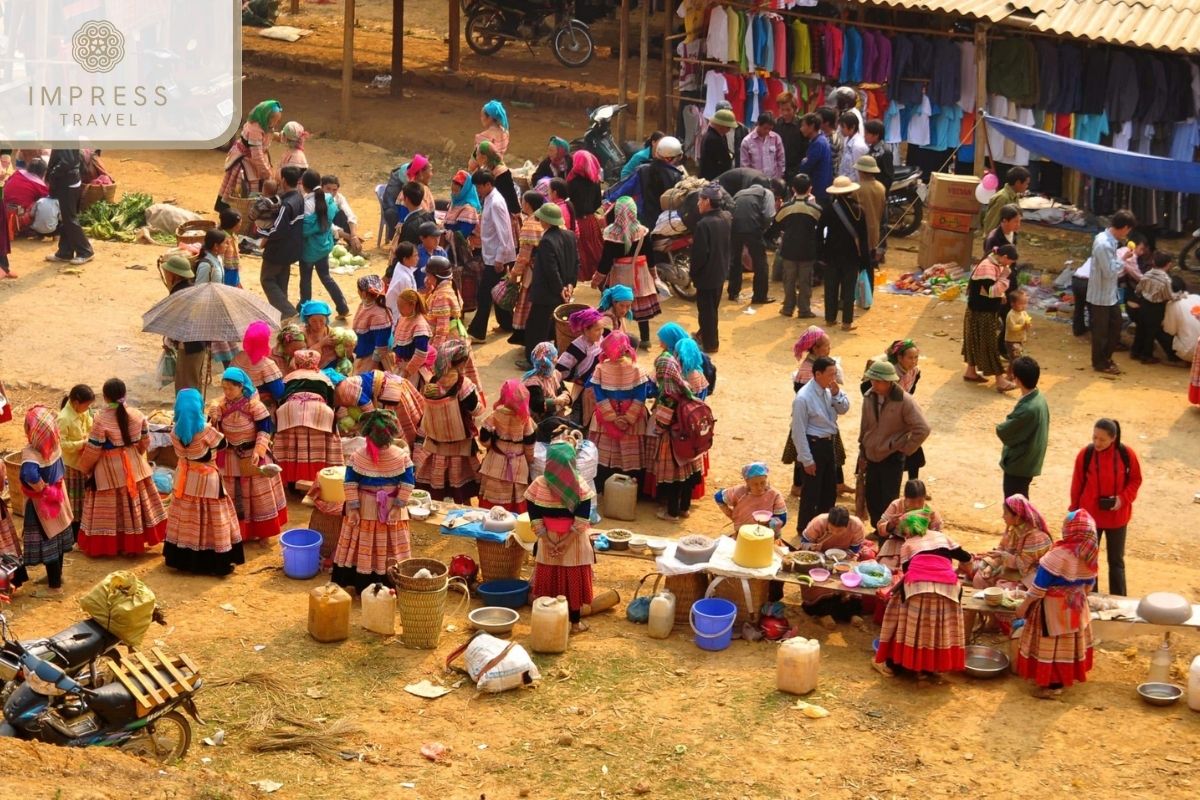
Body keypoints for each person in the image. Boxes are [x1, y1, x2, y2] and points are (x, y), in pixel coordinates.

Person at [873, 511, 971, 680]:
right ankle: (928, 669)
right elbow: (966, 557)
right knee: (934, 626)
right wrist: (961, 570)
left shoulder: (908, 545)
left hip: (918, 589)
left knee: (903, 619)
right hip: (949, 589)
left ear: (908, 532)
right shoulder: (942, 537)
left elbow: (907, 573)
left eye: (904, 533)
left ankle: (893, 665)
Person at [75, 379, 168, 556]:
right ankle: (133, 543)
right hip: (134, 465)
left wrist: (85, 468)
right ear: (124, 394)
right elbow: (145, 441)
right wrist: (137, 456)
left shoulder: (101, 420)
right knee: (135, 507)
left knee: (111, 509)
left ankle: (111, 545)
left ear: (105, 397)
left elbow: (94, 449)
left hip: (108, 470)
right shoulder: (137, 414)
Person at [1015, 510, 1099, 698]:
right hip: (1076, 607)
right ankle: (1062, 680)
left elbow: (1039, 586)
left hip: (1052, 609)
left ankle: (1051, 686)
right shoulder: (1089, 554)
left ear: (1071, 530)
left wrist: (1024, 606)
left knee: (1051, 647)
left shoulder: (1058, 555)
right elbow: (1089, 585)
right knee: (1067, 647)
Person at [330, 410, 414, 594]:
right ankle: (390, 581)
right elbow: (407, 483)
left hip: (365, 507)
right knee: (389, 546)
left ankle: (361, 582)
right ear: (391, 434)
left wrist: (353, 509)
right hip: (390, 507)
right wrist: (397, 506)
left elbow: (350, 483)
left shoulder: (357, 456)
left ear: (367, 434)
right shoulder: (402, 456)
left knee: (362, 543)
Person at [163, 389, 245, 576]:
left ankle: (182, 560)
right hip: (207, 480)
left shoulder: (175, 431)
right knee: (212, 518)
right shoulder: (205, 430)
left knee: (186, 519)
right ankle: (215, 562)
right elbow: (222, 444)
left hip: (184, 478)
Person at [525, 440, 596, 633]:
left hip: (547, 538)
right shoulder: (580, 486)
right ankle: (575, 624)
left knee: (549, 578)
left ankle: (548, 623)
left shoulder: (538, 485)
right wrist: (565, 542)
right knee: (572, 581)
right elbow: (581, 520)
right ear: (572, 462)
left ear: (549, 462)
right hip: (573, 541)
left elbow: (534, 516)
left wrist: (547, 540)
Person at [211, 367, 288, 541]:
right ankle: (237, 532)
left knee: (257, 493)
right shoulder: (221, 405)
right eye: (224, 389)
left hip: (252, 454)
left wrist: (258, 450)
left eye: (230, 388)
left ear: (241, 387)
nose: (227, 392)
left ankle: (261, 532)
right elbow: (215, 431)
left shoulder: (255, 406)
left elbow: (265, 430)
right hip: (230, 456)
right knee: (233, 493)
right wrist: (214, 417)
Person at [1068, 418, 1141, 596]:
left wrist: (1122, 499)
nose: (1097, 443)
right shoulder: (1085, 454)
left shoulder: (1126, 454)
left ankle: (1120, 600)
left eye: (1102, 439)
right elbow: (1077, 484)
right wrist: (1074, 512)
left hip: (1117, 518)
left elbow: (1136, 480)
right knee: (1088, 561)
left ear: (1113, 438)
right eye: (1094, 438)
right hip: (1090, 518)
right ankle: (1090, 599)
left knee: (1116, 562)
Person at [857, 360, 930, 528]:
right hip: (871, 454)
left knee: (889, 498)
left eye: (877, 381)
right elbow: (865, 425)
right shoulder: (869, 396)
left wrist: (905, 449)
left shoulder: (905, 401)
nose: (873, 384)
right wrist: (863, 450)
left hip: (892, 456)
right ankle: (878, 529)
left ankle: (888, 531)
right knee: (872, 496)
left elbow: (923, 428)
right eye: (872, 380)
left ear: (889, 382)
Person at [649, 324, 708, 521]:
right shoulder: (693, 382)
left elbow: (664, 417)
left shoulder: (671, 392)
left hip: (674, 436)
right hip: (694, 433)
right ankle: (684, 508)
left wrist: (659, 426)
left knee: (675, 475)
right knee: (689, 472)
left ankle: (671, 512)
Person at [413, 342, 483, 504]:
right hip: (460, 446)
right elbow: (476, 410)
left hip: (436, 443)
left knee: (438, 484)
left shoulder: (432, 381)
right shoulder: (463, 385)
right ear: (459, 363)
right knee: (461, 488)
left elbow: (428, 407)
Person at [18, 406, 75, 596]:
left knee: (48, 541)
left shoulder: (31, 453)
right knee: (58, 537)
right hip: (59, 497)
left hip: (43, 504)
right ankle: (56, 576)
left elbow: (29, 475)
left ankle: (54, 587)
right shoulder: (55, 446)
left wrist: (41, 487)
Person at [587, 332, 653, 487]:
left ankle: (603, 486)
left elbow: (599, 395)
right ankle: (632, 487)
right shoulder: (637, 369)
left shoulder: (600, 369)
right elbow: (640, 397)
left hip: (605, 419)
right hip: (633, 420)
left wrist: (612, 417)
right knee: (631, 453)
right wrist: (628, 418)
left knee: (604, 452)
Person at [791, 355, 850, 531]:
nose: (834, 378)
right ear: (817, 374)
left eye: (835, 374)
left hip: (828, 444)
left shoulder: (829, 390)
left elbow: (844, 409)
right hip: (813, 445)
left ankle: (825, 527)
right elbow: (798, 431)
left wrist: (837, 394)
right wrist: (806, 459)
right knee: (811, 493)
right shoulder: (803, 398)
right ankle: (805, 530)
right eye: (831, 374)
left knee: (828, 490)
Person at [596, 195, 658, 347]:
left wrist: (597, 278)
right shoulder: (643, 231)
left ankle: (618, 337)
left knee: (619, 305)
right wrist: (653, 274)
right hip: (641, 273)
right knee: (640, 305)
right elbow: (650, 256)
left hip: (620, 274)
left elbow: (605, 261)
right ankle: (645, 339)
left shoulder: (612, 234)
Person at [791, 505, 868, 626]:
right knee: (818, 581)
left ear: (847, 524)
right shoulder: (819, 522)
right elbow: (804, 542)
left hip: (845, 559)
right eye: (832, 529)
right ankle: (824, 613)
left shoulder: (856, 526)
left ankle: (852, 613)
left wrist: (843, 559)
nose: (835, 533)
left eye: (840, 530)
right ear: (828, 522)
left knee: (851, 580)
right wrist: (811, 547)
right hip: (818, 558)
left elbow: (855, 549)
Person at [274, 350, 342, 487]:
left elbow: (280, 398)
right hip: (319, 411)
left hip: (290, 411)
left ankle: (292, 481)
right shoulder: (324, 378)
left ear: (297, 362)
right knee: (319, 445)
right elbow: (331, 402)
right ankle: (321, 478)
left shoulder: (289, 377)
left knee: (293, 446)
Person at [524, 202, 579, 365]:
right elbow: (576, 262)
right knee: (554, 328)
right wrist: (570, 285)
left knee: (536, 328)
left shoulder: (547, 240)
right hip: (564, 291)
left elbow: (550, 269)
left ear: (546, 221)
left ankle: (533, 360)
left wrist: (559, 288)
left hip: (547, 293)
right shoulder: (570, 236)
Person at [468, 170, 517, 341]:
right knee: (499, 291)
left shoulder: (495, 202)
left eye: (479, 187)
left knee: (484, 294)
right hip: (492, 253)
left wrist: (499, 258)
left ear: (488, 185)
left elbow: (503, 231)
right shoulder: (489, 199)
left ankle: (477, 332)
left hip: (497, 256)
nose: (478, 190)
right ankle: (507, 323)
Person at [1088, 211, 1138, 375]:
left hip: (1109, 294)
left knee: (1115, 326)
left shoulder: (1109, 240)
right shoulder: (1104, 244)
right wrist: (1123, 259)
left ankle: (1106, 358)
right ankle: (1100, 362)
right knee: (1101, 332)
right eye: (1128, 230)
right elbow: (1109, 271)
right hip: (1100, 295)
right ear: (1124, 228)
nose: (1127, 234)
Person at [962, 244, 1018, 391]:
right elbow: (991, 291)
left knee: (974, 341)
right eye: (1010, 261)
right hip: (983, 312)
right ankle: (1000, 380)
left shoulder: (992, 263)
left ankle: (971, 371)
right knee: (989, 345)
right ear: (1005, 257)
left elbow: (989, 289)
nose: (1009, 265)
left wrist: (1001, 294)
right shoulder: (987, 267)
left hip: (977, 310)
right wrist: (1005, 279)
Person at [969, 494, 1052, 590]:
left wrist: (1002, 555)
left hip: (1030, 575)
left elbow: (1023, 565)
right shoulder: (1013, 529)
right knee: (980, 577)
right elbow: (1002, 549)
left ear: (1017, 516)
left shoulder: (1034, 537)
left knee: (1003, 590)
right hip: (1012, 569)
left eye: (1005, 513)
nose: (1002, 516)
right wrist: (991, 567)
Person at [478, 379, 537, 512]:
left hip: (495, 460)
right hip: (518, 462)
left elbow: (484, 436)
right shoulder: (525, 419)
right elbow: (529, 443)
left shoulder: (496, 414)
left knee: (493, 493)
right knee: (516, 496)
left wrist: (489, 446)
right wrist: (529, 460)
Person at [299, 169, 351, 318]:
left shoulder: (307, 203)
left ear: (303, 185)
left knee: (306, 280)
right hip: (324, 246)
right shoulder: (329, 198)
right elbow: (327, 221)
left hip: (309, 250)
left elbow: (305, 229)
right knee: (326, 277)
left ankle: (305, 309)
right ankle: (343, 307)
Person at [820, 176, 870, 331]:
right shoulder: (859, 210)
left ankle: (830, 319)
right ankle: (847, 322)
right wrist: (864, 260)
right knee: (848, 290)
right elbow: (863, 238)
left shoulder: (828, 209)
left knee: (831, 288)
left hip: (831, 254)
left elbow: (819, 231)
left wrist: (821, 252)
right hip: (851, 255)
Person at [258, 165, 306, 319]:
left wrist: (262, 233)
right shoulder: (299, 197)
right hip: (292, 249)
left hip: (278, 250)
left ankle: (288, 312)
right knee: (281, 280)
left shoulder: (287, 204)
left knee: (267, 280)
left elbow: (278, 229)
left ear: (284, 180)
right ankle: (281, 316)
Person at [770, 174, 821, 319]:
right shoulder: (815, 209)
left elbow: (776, 224)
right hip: (808, 251)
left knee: (789, 280)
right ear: (810, 189)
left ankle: (787, 308)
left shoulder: (786, 208)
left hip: (789, 251)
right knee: (805, 282)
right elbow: (821, 226)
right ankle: (804, 310)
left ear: (792, 189)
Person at [217, 99, 281, 210]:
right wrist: (267, 173)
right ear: (266, 117)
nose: (275, 124)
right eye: (274, 120)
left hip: (254, 159)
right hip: (246, 161)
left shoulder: (263, 123)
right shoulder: (254, 130)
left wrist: (278, 136)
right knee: (245, 188)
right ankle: (241, 212)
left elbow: (268, 134)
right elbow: (257, 155)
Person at [691, 183, 731, 354]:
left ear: (707, 201)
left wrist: (693, 273)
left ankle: (710, 344)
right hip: (720, 270)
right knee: (712, 308)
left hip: (706, 274)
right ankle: (704, 334)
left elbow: (700, 254)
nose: (698, 203)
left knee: (706, 311)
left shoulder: (704, 224)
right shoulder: (727, 217)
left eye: (700, 200)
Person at [727, 180, 778, 305]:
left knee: (735, 259)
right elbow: (768, 215)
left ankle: (733, 292)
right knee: (760, 262)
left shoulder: (739, 193)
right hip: (752, 228)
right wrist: (762, 230)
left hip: (734, 228)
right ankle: (760, 296)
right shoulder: (767, 193)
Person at [1132, 252, 1186, 364]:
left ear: (1154, 263)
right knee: (1151, 332)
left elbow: (1138, 289)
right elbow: (1169, 296)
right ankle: (1146, 356)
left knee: (1141, 328)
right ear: (1168, 264)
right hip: (1156, 308)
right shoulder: (1165, 279)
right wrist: (1180, 295)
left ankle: (1135, 352)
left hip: (1144, 304)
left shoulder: (1147, 274)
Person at [875, 480, 942, 569]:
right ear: (905, 498)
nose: (916, 505)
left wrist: (928, 527)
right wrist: (891, 523)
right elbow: (880, 528)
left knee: (919, 569)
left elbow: (938, 536)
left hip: (920, 546)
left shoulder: (930, 511)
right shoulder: (896, 505)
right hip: (896, 543)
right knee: (886, 568)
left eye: (920, 501)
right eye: (912, 502)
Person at [510, 191, 546, 355]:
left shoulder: (530, 224)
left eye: (522, 201)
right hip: (546, 271)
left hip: (532, 273)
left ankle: (528, 339)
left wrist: (514, 273)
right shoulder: (547, 221)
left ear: (528, 205)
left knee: (527, 304)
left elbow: (524, 256)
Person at [556, 308, 606, 426]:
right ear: (585, 330)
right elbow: (560, 368)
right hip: (582, 390)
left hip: (598, 387)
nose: (601, 332)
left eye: (602, 329)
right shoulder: (577, 347)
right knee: (579, 419)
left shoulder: (600, 340)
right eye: (597, 330)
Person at [57, 384, 95, 535]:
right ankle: (72, 531)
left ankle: (81, 527)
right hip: (71, 464)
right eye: (87, 405)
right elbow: (61, 444)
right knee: (73, 500)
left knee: (82, 496)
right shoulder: (64, 418)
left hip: (82, 461)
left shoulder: (83, 412)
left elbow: (90, 426)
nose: (88, 409)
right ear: (76, 403)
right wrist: (82, 443)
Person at [44, 149, 93, 265]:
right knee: (66, 218)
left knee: (69, 218)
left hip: (67, 182)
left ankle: (85, 251)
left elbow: (68, 161)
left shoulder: (64, 133)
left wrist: (53, 173)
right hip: (69, 180)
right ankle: (65, 252)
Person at [231, 321, 286, 412]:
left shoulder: (237, 357)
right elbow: (278, 392)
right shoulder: (267, 364)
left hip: (236, 405)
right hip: (260, 409)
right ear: (265, 341)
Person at [715, 462, 787, 531]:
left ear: (766, 479)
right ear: (747, 482)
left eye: (763, 483)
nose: (759, 487)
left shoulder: (775, 495)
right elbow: (718, 497)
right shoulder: (739, 492)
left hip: (768, 534)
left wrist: (770, 523)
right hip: (743, 533)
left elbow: (782, 518)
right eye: (755, 484)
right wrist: (731, 515)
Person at [631, 136, 684, 229]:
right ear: (670, 159)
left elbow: (621, 189)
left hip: (643, 223)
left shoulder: (642, 170)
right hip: (666, 226)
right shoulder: (676, 176)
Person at [567, 150, 604, 283]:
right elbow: (598, 202)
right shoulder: (595, 181)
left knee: (579, 251)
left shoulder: (571, 181)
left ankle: (580, 277)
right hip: (590, 221)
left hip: (576, 222)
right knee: (594, 249)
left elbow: (568, 202)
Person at [352, 275, 393, 373]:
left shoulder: (379, 314)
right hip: (362, 353)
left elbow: (381, 345)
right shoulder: (364, 305)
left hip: (371, 359)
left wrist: (373, 367)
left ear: (364, 293)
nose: (357, 292)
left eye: (358, 290)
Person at [524, 342, 572, 423]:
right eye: (555, 358)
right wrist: (556, 401)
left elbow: (563, 389)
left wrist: (566, 397)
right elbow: (537, 405)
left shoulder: (555, 374)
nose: (557, 360)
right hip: (542, 420)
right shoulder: (533, 382)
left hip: (557, 414)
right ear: (550, 362)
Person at [3, 157, 49, 240]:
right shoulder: (39, 185)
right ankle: (25, 229)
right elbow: (48, 199)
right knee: (42, 203)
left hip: (5, 213)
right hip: (20, 219)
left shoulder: (17, 173)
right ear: (42, 172)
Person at [854, 155, 886, 273]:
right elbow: (883, 212)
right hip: (874, 231)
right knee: (869, 266)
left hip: (859, 233)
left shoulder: (857, 188)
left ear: (861, 171)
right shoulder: (881, 187)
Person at [392, 289, 432, 381]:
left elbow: (421, 353)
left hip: (412, 373)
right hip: (400, 368)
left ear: (412, 305)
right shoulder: (402, 319)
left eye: (401, 307)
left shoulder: (420, 325)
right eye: (398, 306)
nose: (399, 309)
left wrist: (408, 371)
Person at [980, 166, 1030, 236]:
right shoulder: (1002, 198)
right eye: (1026, 183)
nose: (1027, 186)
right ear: (1018, 183)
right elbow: (991, 223)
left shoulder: (1014, 196)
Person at [321, 175, 363, 255]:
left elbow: (351, 215)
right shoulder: (317, 201)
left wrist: (354, 236)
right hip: (320, 232)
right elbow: (327, 226)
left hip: (333, 230)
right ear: (321, 187)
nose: (331, 193)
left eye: (334, 190)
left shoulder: (338, 198)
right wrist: (349, 237)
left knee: (342, 215)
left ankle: (353, 246)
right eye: (328, 189)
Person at [740, 112, 786, 180]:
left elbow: (781, 160)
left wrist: (779, 177)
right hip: (755, 182)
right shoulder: (747, 141)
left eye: (770, 129)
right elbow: (745, 166)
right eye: (765, 128)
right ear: (758, 124)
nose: (767, 131)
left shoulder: (776, 138)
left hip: (773, 180)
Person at [798, 114, 833, 202]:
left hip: (818, 189)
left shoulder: (818, 143)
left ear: (812, 126)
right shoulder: (821, 140)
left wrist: (803, 162)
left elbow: (806, 166)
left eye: (803, 125)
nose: (801, 129)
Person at [774, 93, 808, 179]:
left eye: (788, 110)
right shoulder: (776, 124)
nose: (785, 113)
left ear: (795, 109)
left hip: (797, 170)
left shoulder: (802, 124)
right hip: (779, 170)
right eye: (782, 110)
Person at [385, 241, 420, 319]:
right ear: (405, 259)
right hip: (398, 314)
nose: (418, 258)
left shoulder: (400, 265)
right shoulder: (405, 279)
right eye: (415, 256)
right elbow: (409, 304)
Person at [471, 100, 511, 166]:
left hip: (486, 173)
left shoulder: (482, 137)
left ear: (489, 118)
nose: (481, 118)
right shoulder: (505, 133)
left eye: (482, 116)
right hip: (500, 169)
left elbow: (473, 164)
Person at [700, 108, 736, 179]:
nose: (729, 130)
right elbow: (725, 160)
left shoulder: (710, 135)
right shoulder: (714, 139)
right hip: (714, 179)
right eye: (728, 127)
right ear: (720, 125)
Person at [444, 169, 482, 238]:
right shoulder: (455, 202)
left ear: (465, 189)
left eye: (456, 191)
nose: (453, 193)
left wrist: (446, 234)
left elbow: (462, 234)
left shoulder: (469, 209)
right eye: (452, 190)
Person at [862, 120, 893, 192]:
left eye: (867, 133)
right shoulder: (871, 148)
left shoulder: (885, 152)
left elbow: (888, 178)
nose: (864, 136)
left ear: (876, 135)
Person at [837, 112, 868, 181]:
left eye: (843, 127)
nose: (841, 130)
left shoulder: (858, 146)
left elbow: (858, 171)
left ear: (852, 127)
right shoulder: (846, 140)